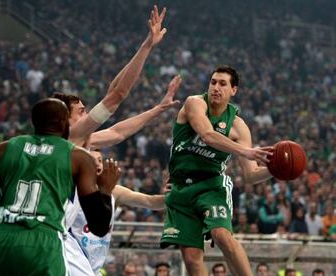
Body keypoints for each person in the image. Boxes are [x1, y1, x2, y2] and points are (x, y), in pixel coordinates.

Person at [0, 98, 118, 275]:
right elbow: (99, 227)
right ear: (64, 123)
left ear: (34, 121)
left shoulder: (3, 149)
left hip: (2, 240)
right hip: (45, 239)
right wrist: (106, 190)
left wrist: (9, 227)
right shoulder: (77, 157)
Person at [160, 65, 273, 276]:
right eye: (213, 82)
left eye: (222, 84)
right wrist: (245, 151)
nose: (216, 88)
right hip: (180, 188)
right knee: (192, 260)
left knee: (221, 234)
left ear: (234, 90)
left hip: (211, 186)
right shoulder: (194, 103)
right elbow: (208, 135)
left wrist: (275, 170)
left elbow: (250, 175)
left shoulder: (239, 127)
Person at [54, 5, 171, 149]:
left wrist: (158, 109)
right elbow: (118, 95)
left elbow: (117, 133)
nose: (87, 113)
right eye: (81, 111)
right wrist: (146, 47)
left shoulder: (82, 139)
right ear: (64, 120)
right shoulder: (69, 136)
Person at [66, 149, 167, 275]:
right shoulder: (71, 190)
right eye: (91, 161)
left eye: (99, 160)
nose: (97, 164)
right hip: (72, 258)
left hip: (95, 265)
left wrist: (174, 196)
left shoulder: (115, 192)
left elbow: (150, 202)